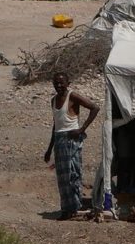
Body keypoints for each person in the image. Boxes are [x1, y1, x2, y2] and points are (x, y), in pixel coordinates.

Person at [43, 72, 100, 220]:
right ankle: (66, 209)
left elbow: (95, 108)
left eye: (62, 83)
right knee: (62, 178)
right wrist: (49, 149)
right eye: (56, 83)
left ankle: (75, 207)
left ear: (68, 83)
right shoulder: (53, 100)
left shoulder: (72, 96)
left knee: (73, 174)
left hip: (71, 138)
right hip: (59, 139)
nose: (59, 86)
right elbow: (56, 125)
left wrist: (82, 129)